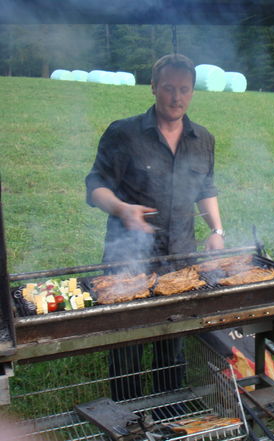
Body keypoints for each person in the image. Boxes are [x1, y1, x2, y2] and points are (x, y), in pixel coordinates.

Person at [85, 53, 225, 403]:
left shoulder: (203, 139)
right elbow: (95, 186)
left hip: (180, 256)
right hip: (129, 254)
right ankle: (129, 415)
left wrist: (217, 231)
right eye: (168, 88)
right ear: (153, 88)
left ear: (192, 92)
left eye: (184, 89)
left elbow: (206, 190)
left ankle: (168, 412)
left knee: (171, 341)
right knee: (128, 342)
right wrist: (122, 209)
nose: (176, 97)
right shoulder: (124, 133)